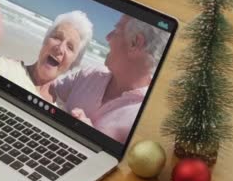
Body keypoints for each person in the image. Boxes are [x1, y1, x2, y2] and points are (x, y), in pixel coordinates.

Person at [51, 15, 170, 144]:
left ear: (134, 43)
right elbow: (45, 89)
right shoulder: (89, 74)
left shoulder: (146, 118)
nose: (108, 37)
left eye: (117, 30)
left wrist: (92, 138)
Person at [0, 9, 93, 102]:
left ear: (73, 63)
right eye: (57, 37)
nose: (61, 48)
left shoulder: (62, 108)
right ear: (45, 40)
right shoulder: (8, 69)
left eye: (70, 47)